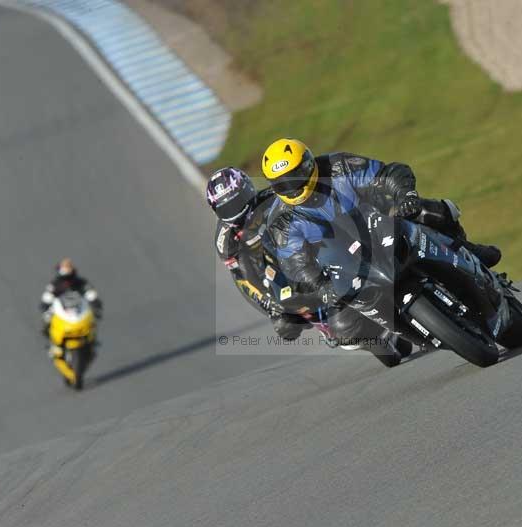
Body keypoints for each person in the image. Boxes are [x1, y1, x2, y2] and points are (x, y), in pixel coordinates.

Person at [261, 138, 501, 364]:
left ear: (308, 164)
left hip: (382, 221)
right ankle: (407, 333)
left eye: (296, 176)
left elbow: (388, 174)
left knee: (429, 212)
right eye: (283, 183)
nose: (292, 186)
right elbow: (295, 263)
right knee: (344, 326)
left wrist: (404, 194)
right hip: (347, 262)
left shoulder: (338, 166)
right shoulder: (281, 221)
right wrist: (320, 286)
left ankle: (470, 250)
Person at [206, 167, 310, 341]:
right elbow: (242, 278)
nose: (235, 212)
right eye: (226, 209)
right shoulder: (224, 241)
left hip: (294, 248)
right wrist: (270, 304)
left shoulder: (271, 198)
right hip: (265, 270)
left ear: (248, 190)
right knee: (285, 325)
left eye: (237, 202)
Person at [40, 259, 102, 342]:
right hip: (62, 309)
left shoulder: (80, 282)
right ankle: (53, 340)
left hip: (79, 309)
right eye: (65, 278)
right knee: (47, 317)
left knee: (92, 318)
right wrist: (45, 305)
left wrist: (95, 304)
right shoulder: (55, 284)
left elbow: (90, 293)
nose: (67, 282)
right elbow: (48, 296)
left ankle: (91, 340)